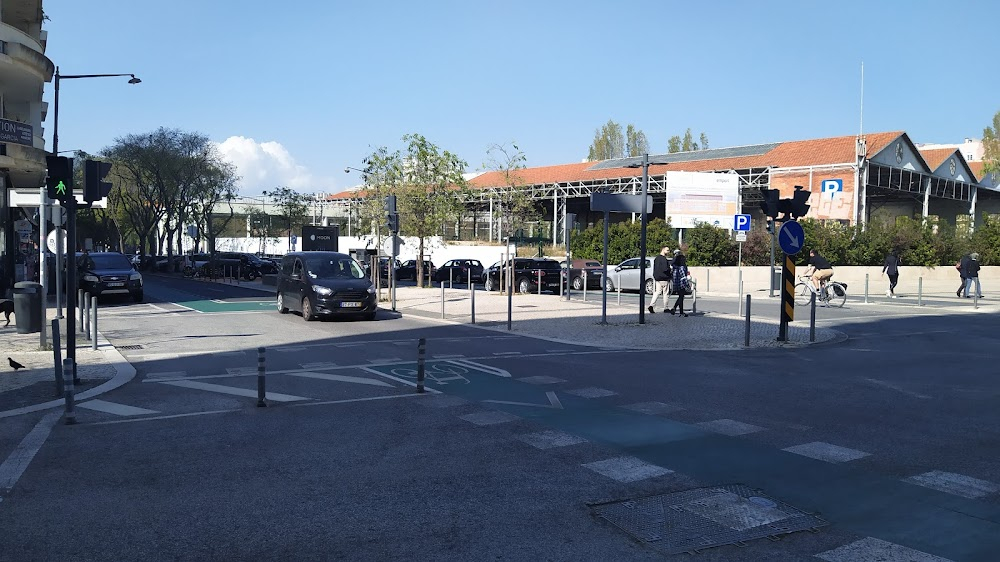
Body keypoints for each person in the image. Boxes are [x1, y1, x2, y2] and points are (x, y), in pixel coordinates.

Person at [648, 246, 672, 314]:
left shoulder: (656, 259)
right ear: (663, 250)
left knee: (657, 292)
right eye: (667, 250)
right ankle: (666, 308)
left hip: (657, 278)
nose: (668, 252)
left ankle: (651, 305)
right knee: (665, 293)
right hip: (664, 278)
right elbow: (665, 269)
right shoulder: (664, 259)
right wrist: (670, 270)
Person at [668, 249, 690, 317]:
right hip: (681, 284)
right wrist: (687, 285)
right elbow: (684, 277)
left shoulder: (675, 267)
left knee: (680, 297)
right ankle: (678, 310)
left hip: (676, 284)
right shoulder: (682, 267)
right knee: (681, 297)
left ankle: (678, 310)